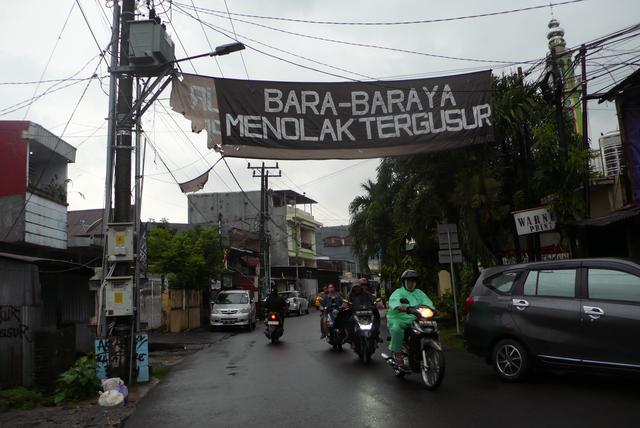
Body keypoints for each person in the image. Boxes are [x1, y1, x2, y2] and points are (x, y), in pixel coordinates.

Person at [386, 269, 435, 368]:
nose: (411, 283)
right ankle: (397, 354)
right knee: (396, 329)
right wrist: (405, 308)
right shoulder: (398, 292)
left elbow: (429, 303)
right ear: (404, 282)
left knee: (432, 327)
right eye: (409, 281)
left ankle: (424, 351)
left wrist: (433, 310)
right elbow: (395, 304)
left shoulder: (419, 293)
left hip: (415, 318)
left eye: (413, 281)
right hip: (399, 318)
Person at [348, 278, 381, 342]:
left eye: (358, 287)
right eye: (355, 287)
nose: (357, 288)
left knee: (376, 320)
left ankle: (376, 336)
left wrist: (377, 303)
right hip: (356, 314)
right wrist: (346, 304)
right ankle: (350, 337)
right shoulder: (350, 295)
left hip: (368, 313)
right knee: (349, 321)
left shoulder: (368, 294)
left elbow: (374, 300)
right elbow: (346, 301)